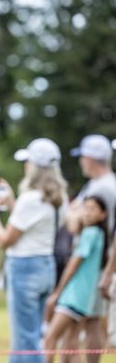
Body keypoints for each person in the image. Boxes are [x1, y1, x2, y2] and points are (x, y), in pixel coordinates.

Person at [0, 138, 68, 363]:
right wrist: (13, 202)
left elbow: (5, 240)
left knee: (24, 341)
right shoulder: (61, 199)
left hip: (24, 268)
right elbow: (31, 227)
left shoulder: (30, 199)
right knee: (33, 334)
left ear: (34, 167)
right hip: (46, 266)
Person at [64, 134, 116, 358]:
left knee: (83, 321)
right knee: (92, 320)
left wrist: (71, 212)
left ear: (92, 158)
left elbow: (75, 222)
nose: (80, 162)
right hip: (98, 261)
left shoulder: (103, 188)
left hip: (92, 261)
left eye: (82, 157)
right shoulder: (97, 184)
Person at [44, 196, 109, 363]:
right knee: (70, 345)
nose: (87, 212)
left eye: (92, 209)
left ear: (103, 214)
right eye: (85, 208)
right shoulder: (99, 234)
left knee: (50, 338)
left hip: (74, 295)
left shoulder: (90, 233)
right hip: (84, 298)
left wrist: (58, 292)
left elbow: (74, 264)